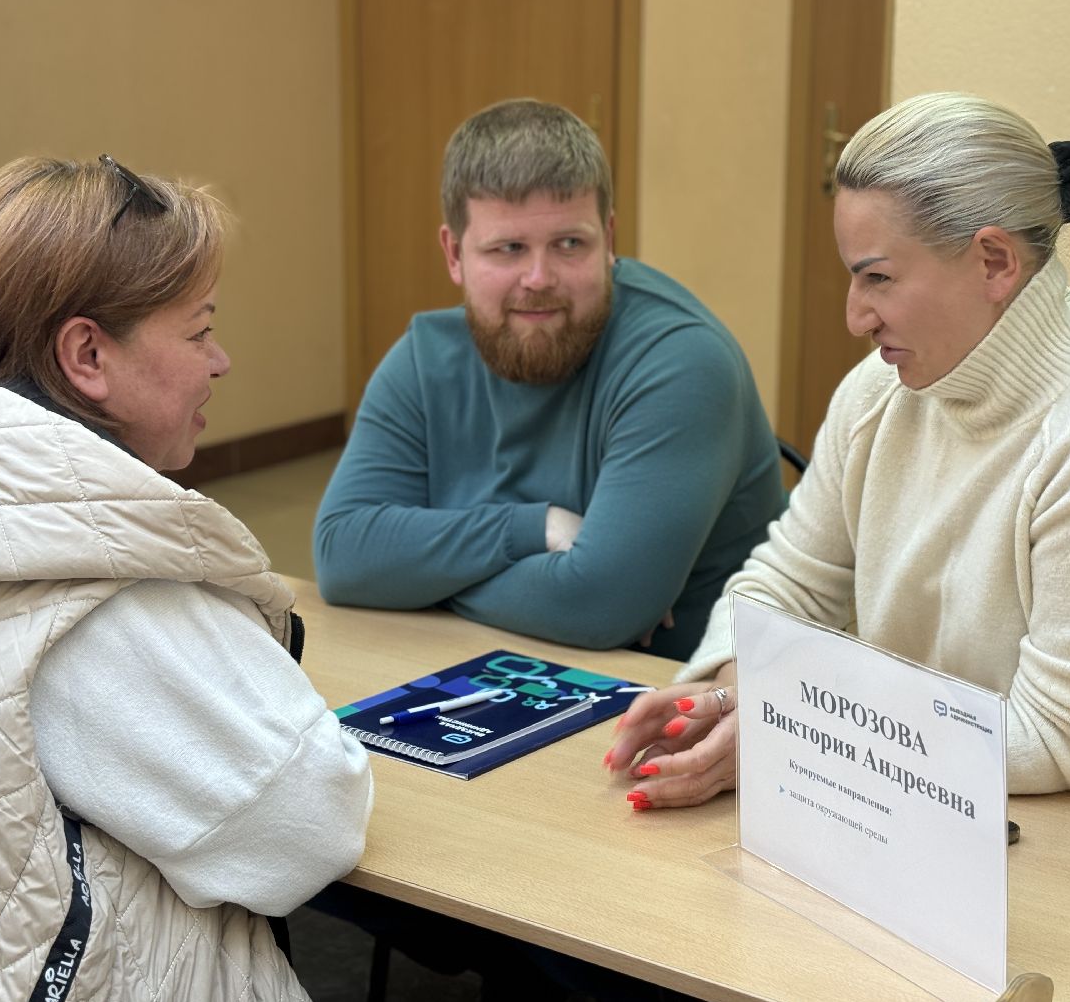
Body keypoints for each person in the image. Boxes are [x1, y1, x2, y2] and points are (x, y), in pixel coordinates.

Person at [0, 156, 372, 1002]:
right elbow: (307, 821)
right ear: (87, 355)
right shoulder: (85, 583)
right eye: (197, 331)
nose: (220, 362)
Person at [606, 92, 1070, 803]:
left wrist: (784, 717)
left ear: (995, 262)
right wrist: (732, 698)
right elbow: (783, 584)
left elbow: (1056, 741)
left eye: (877, 277)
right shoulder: (879, 393)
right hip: (932, 800)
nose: (855, 316)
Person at [314, 98, 787, 662]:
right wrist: (533, 530)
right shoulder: (425, 358)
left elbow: (600, 604)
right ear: (454, 253)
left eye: (569, 244)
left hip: (684, 701)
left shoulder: (681, 361)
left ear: (609, 240)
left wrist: (421, 580)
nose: (538, 279)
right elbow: (342, 556)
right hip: (495, 669)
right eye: (508, 248)